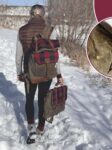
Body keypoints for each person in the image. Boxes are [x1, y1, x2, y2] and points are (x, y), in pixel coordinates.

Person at [15, 4, 64, 144]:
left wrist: (19, 72)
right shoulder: (50, 29)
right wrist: (59, 75)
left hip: (29, 73)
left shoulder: (22, 30)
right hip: (47, 72)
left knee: (30, 99)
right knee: (43, 99)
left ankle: (31, 128)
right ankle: (41, 128)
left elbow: (18, 55)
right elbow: (55, 55)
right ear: (43, 14)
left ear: (31, 14)